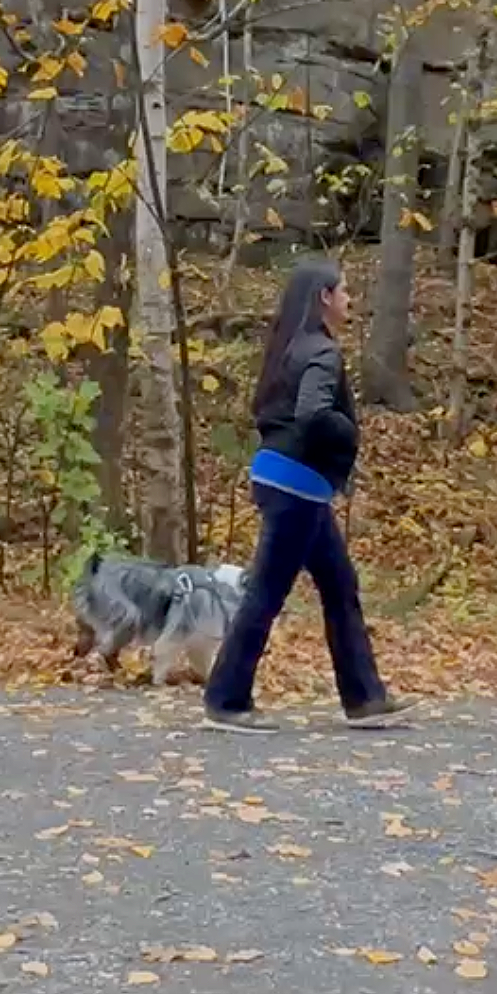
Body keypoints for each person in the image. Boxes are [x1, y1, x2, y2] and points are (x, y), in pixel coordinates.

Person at [203, 257, 417, 733]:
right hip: (295, 486)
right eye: (343, 292)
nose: (348, 300)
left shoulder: (288, 346)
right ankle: (226, 699)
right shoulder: (321, 351)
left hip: (291, 482)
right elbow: (313, 413)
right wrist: (351, 431)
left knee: (340, 586)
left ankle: (364, 698)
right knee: (266, 593)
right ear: (324, 296)